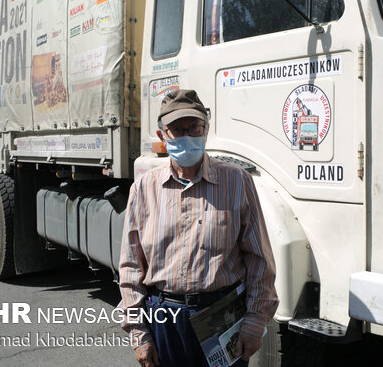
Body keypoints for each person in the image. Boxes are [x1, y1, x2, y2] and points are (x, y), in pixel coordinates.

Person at [117, 89, 278, 367]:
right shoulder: (144, 188)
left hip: (222, 318)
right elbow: (131, 266)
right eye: (177, 130)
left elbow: (260, 260)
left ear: (206, 130)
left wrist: (254, 322)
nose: (187, 136)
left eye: (194, 128)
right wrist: (139, 333)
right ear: (162, 137)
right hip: (164, 320)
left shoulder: (237, 182)